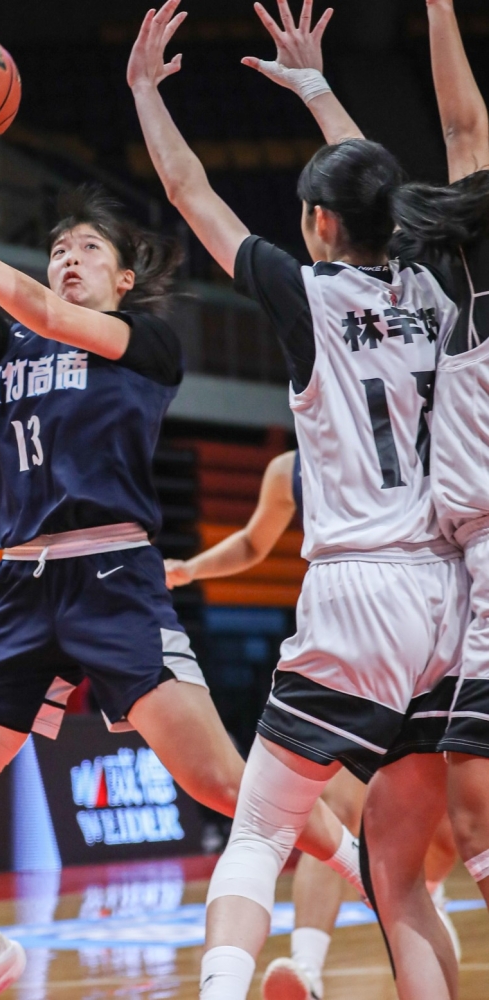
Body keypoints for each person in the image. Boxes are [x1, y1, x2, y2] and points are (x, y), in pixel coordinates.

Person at [0, 107, 364, 1000]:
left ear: (121, 279)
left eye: (86, 250)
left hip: (112, 576)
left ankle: (352, 863)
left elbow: (25, 298)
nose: (66, 259)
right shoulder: (13, 343)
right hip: (19, 585)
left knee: (219, 783)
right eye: (57, 249)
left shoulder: (144, 346)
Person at [127, 4, 468, 1000]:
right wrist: (318, 89)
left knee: (261, 830)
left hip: (356, 589)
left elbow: (188, 190)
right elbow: (378, 187)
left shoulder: (304, 294)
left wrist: (145, 91)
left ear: (317, 224)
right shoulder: (438, 288)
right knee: (398, 878)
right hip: (449, 594)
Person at [166, 450, 460, 998]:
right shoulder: (289, 469)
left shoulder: (428, 435)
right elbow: (253, 541)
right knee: (335, 809)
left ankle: (430, 894)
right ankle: (308, 967)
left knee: (443, 836)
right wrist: (192, 569)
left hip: (431, 624)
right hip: (355, 634)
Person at [390, 0, 489, 943]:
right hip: (461, 564)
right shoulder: (462, 287)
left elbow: (465, 133)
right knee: (463, 818)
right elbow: (462, 131)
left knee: (471, 813)